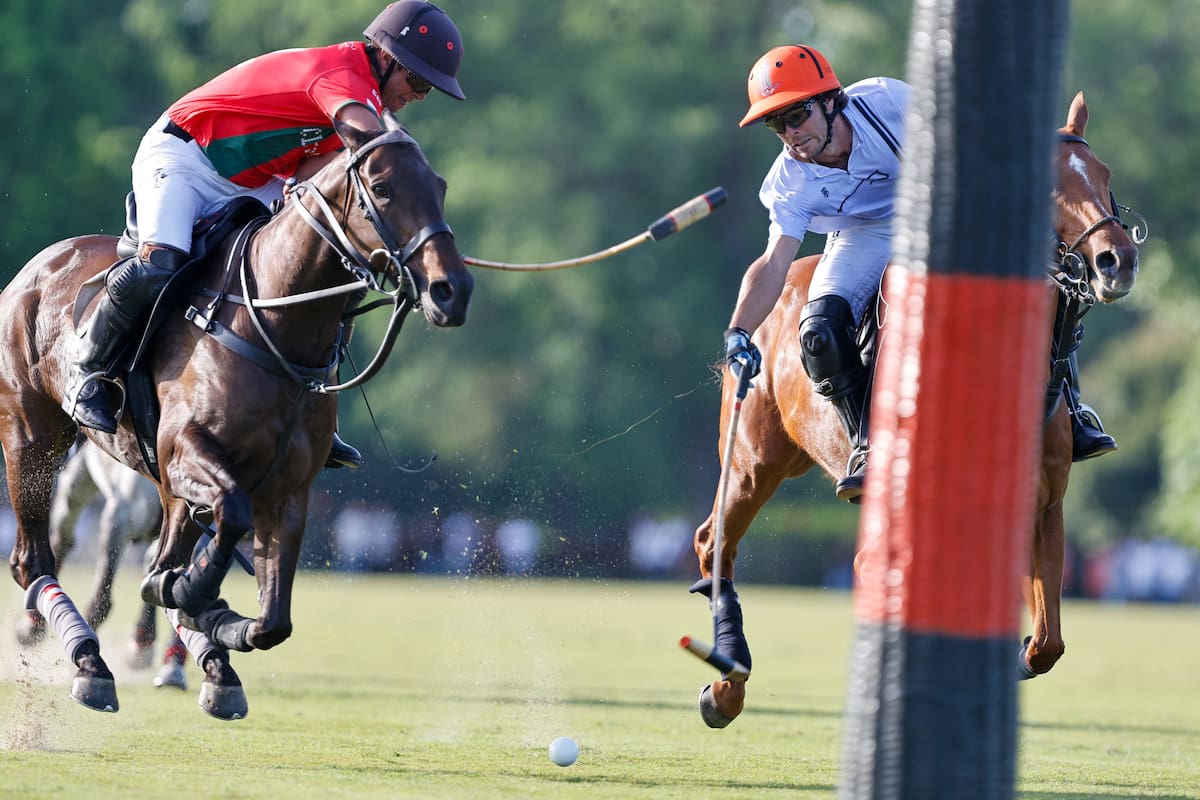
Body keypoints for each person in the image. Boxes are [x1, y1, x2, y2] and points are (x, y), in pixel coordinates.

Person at [63, 0, 466, 470]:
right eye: (417, 81)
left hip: (256, 178)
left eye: (428, 90)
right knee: (162, 262)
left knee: (323, 259)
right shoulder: (343, 74)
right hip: (188, 157)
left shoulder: (367, 102)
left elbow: (324, 173)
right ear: (386, 57)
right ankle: (87, 371)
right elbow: (376, 150)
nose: (419, 96)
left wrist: (426, 243)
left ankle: (311, 407)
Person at [722, 44, 1115, 503]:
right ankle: (867, 446)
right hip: (861, 235)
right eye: (776, 123)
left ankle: (1072, 407)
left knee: (1041, 276)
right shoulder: (789, 180)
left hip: (935, 211)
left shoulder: (889, 103)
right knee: (819, 331)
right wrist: (739, 332)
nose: (790, 134)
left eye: (797, 115)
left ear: (830, 100)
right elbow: (774, 262)